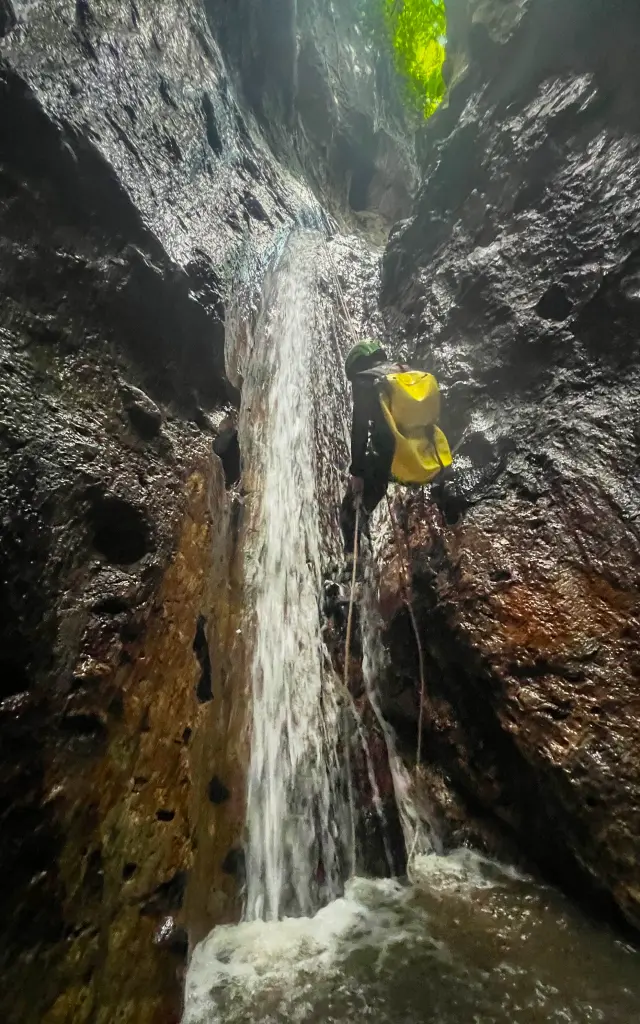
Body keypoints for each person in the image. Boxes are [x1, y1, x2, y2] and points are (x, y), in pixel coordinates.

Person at [340, 338, 457, 556]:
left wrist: (357, 472)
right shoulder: (407, 371)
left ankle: (352, 552)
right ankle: (448, 507)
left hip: (394, 459)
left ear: (357, 366)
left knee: (356, 494)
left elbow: (360, 429)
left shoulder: (364, 381)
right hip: (429, 459)